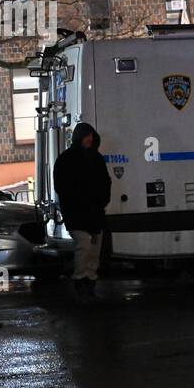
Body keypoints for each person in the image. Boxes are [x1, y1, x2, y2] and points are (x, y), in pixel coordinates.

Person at [53, 122, 111, 301]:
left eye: (91, 137)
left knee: (93, 249)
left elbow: (105, 182)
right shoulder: (68, 160)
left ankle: (89, 281)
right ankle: (82, 279)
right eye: (87, 136)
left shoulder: (94, 158)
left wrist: (102, 200)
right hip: (77, 213)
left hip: (91, 213)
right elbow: (62, 186)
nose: (90, 139)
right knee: (85, 245)